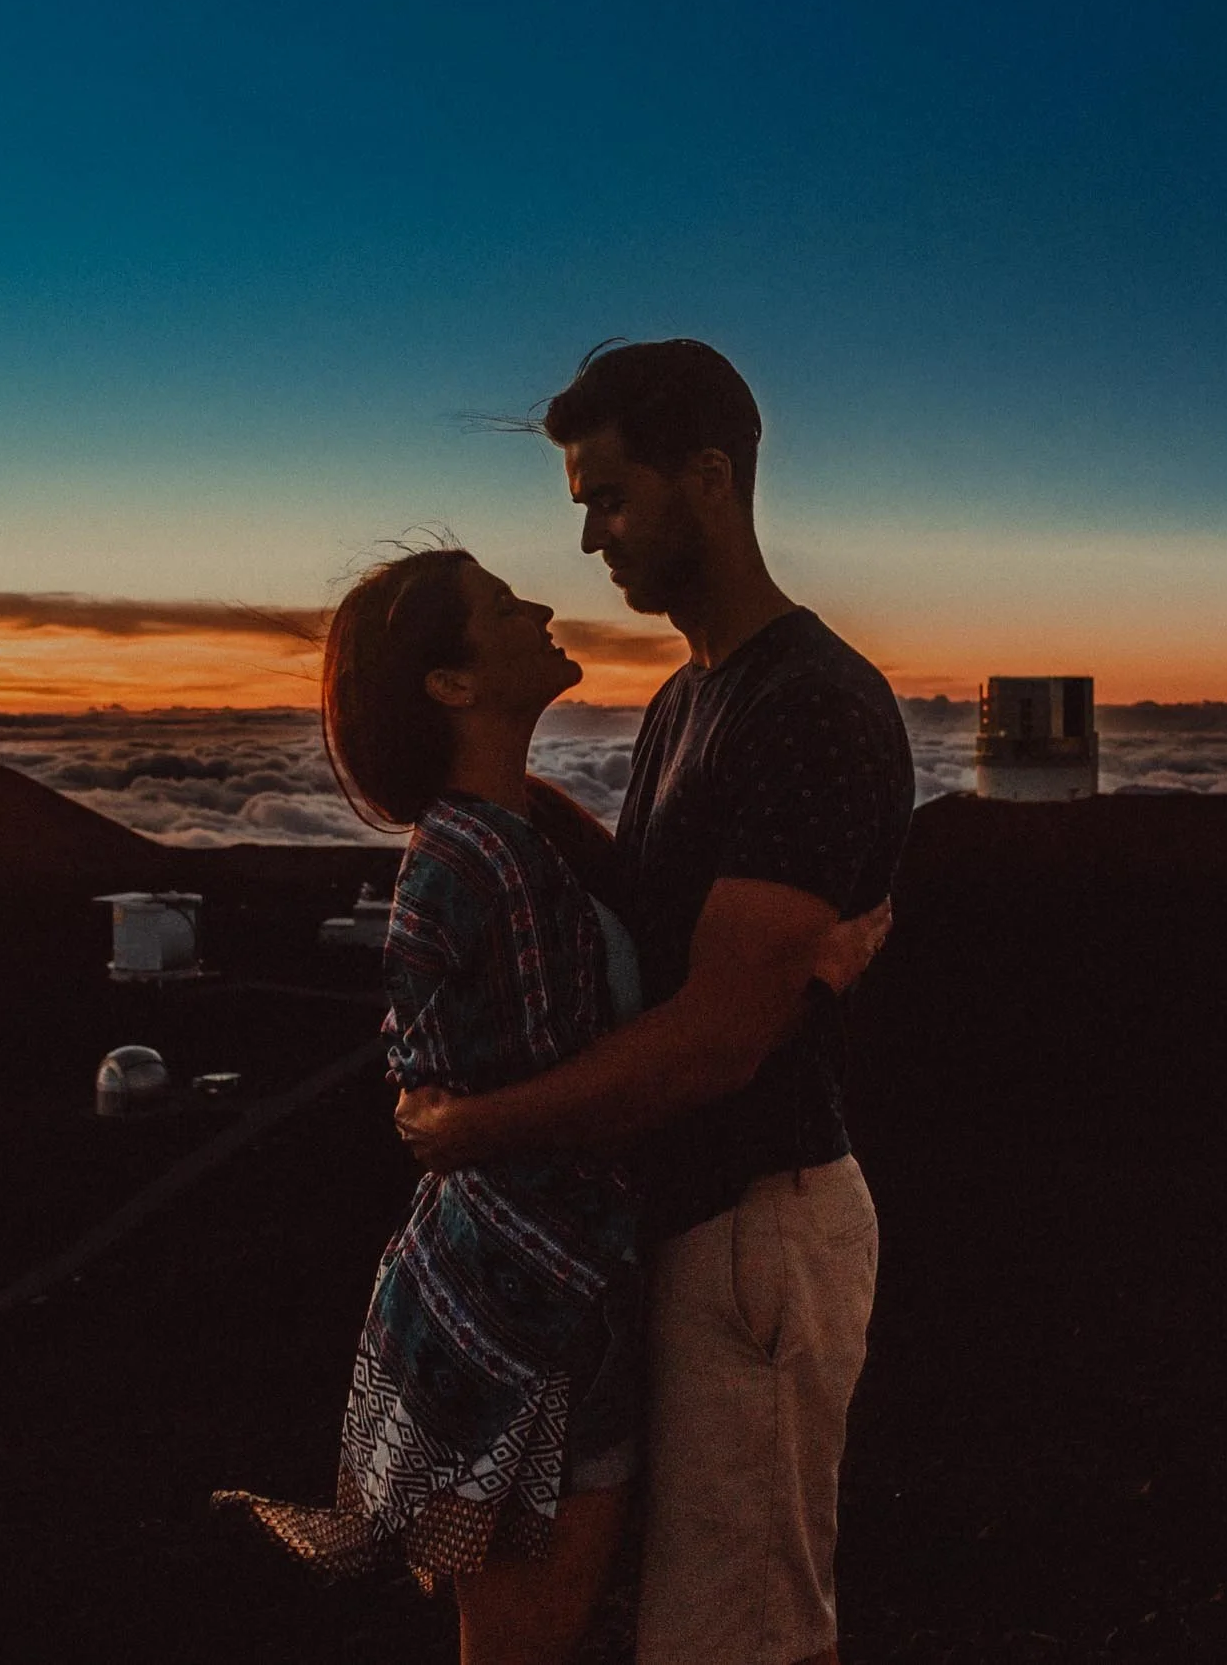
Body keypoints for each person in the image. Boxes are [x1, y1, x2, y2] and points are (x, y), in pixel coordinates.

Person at [215, 545, 886, 1665]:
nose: (539, 599)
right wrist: (807, 976)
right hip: (531, 1322)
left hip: (519, 1308)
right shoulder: (485, 866)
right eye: (497, 603)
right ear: (452, 683)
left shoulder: (512, 840)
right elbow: (593, 1099)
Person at [396, 339, 917, 1665]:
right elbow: (655, 925)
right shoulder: (694, 696)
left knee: (736, 1635)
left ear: (709, 478)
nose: (588, 539)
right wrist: (484, 797)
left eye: (609, 498)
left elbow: (714, 1044)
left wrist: (477, 1127)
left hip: (759, 1225)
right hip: (685, 1228)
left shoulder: (809, 703)